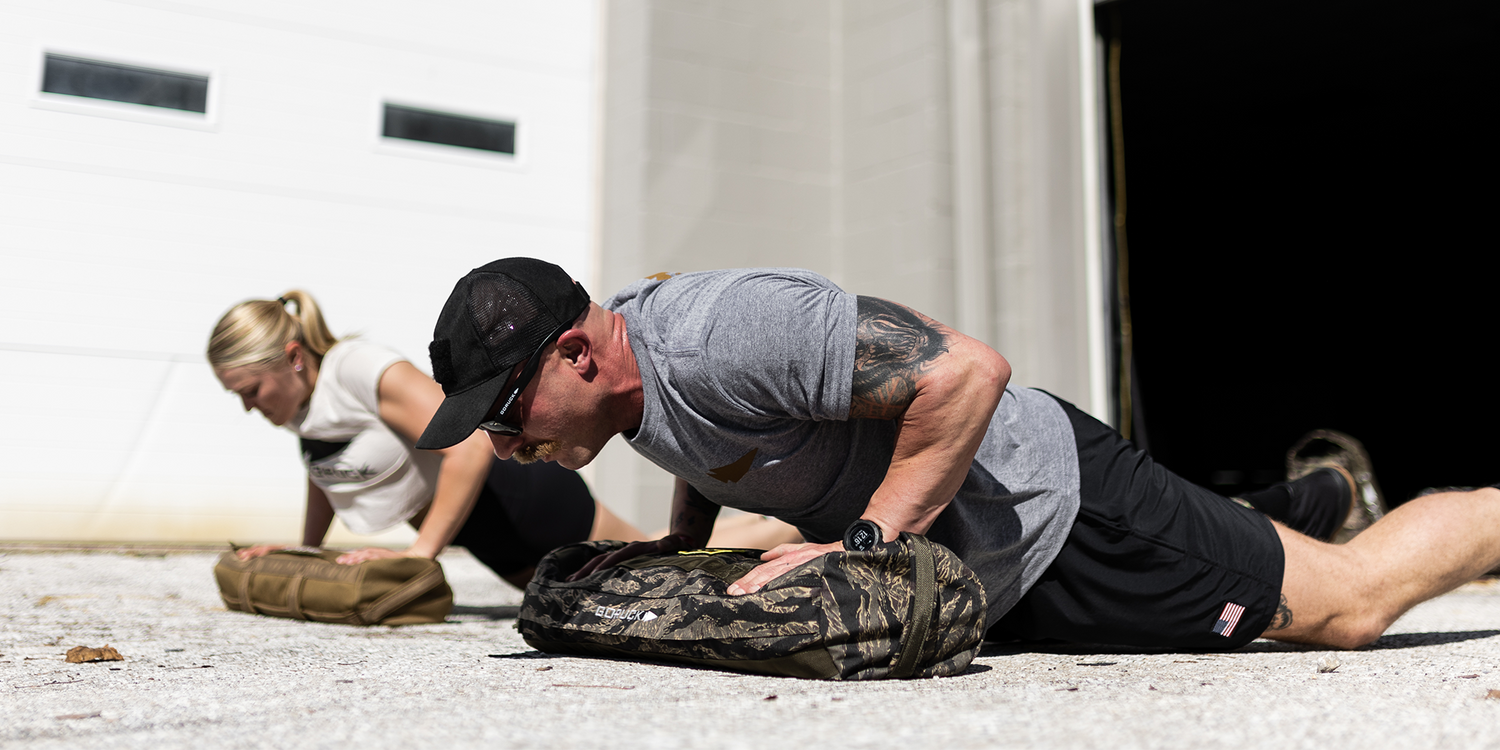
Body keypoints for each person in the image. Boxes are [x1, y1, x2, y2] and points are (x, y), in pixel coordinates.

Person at [415, 258, 1500, 650]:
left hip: (1059, 514)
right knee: (1238, 542)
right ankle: (1316, 491)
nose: (507, 446)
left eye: (508, 414)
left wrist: (867, 543)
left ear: (576, 351)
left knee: (1349, 607)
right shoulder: (630, 390)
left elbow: (966, 372)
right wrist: (675, 539)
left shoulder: (726, 331)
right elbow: (709, 446)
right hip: (989, 558)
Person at [206, 290, 646, 588]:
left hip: (522, 498)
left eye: (251, 390)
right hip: (481, 537)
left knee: (649, 565)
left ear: (294, 358)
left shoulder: (360, 369)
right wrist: (307, 552)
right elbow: (324, 469)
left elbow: (469, 444)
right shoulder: (302, 407)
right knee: (594, 595)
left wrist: (420, 555)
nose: (248, 406)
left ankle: (708, 520)